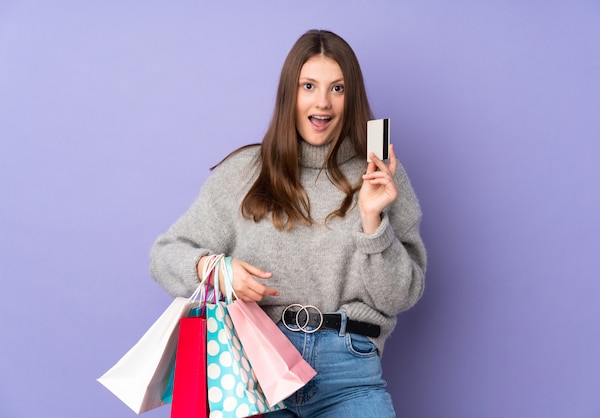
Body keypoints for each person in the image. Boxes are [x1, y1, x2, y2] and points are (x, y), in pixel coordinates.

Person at [150, 29, 426, 417]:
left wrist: (372, 220)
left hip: (348, 374)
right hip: (253, 371)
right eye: (308, 86)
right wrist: (216, 271)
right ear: (289, 95)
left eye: (338, 88)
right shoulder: (244, 173)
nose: (322, 102)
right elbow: (164, 255)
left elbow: (400, 296)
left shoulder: (379, 178)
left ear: (353, 98)